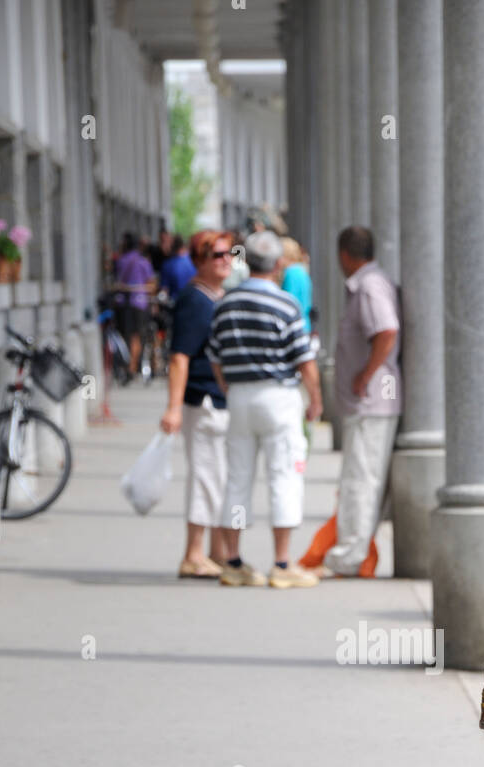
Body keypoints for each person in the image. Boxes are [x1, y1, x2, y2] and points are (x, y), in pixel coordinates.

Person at [207, 229, 323, 589]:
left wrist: (230, 387)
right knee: (284, 476)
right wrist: (315, 401)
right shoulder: (286, 305)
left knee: (238, 478)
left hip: (239, 397)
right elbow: (305, 361)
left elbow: (215, 356)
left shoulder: (225, 303)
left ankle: (233, 561)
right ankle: (282, 563)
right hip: (278, 398)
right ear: (276, 265)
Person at [318, 225, 401, 577]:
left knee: (361, 480)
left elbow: (386, 330)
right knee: (360, 478)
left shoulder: (367, 287)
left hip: (371, 401)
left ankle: (349, 556)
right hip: (372, 401)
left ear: (344, 255)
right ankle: (353, 552)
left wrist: (365, 374)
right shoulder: (372, 283)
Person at [160, 230, 234, 579]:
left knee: (219, 477)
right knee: (206, 476)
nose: (225, 259)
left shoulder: (217, 296)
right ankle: (193, 553)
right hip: (201, 399)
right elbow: (180, 357)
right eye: (216, 254)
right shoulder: (194, 299)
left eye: (229, 252)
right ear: (199, 260)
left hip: (219, 400)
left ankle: (217, 552)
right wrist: (173, 408)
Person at [112, 232, 156, 377]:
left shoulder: (121, 260)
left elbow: (116, 278)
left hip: (123, 303)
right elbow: (151, 284)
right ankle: (132, 367)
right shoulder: (144, 262)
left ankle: (125, 365)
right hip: (140, 303)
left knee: (124, 335)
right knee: (136, 337)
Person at [280, 238, 313, 328]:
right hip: (304, 323)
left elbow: (289, 301)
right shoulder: (301, 270)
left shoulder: (290, 273)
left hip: (295, 326)